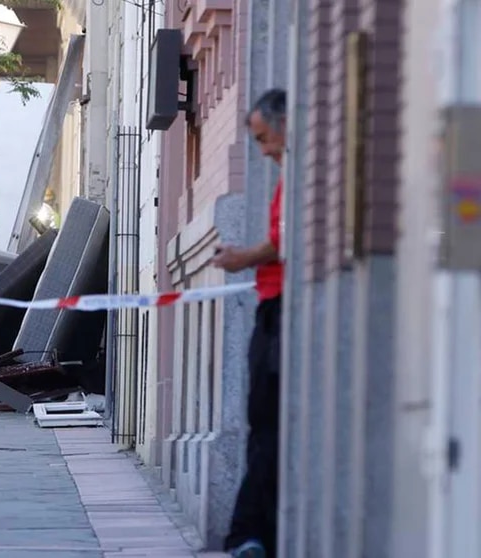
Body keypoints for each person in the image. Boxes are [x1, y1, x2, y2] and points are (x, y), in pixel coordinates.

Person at [211, 88, 287, 558]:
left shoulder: (299, 174)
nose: (263, 151)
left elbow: (283, 241)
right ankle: (251, 533)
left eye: (263, 139)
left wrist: (242, 257)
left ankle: (248, 534)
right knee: (263, 425)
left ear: (284, 124)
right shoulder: (287, 177)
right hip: (271, 304)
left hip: (280, 309)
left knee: (265, 423)